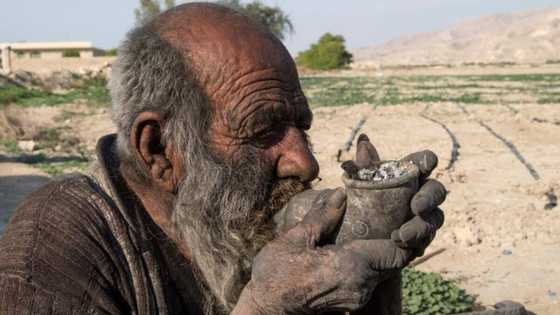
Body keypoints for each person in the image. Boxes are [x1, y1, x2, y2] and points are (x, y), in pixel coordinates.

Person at [0, 3, 446, 314]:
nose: (304, 163)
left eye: (300, 127)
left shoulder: (232, 223)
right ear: (158, 151)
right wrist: (267, 308)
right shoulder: (51, 252)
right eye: (262, 132)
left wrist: (376, 264)